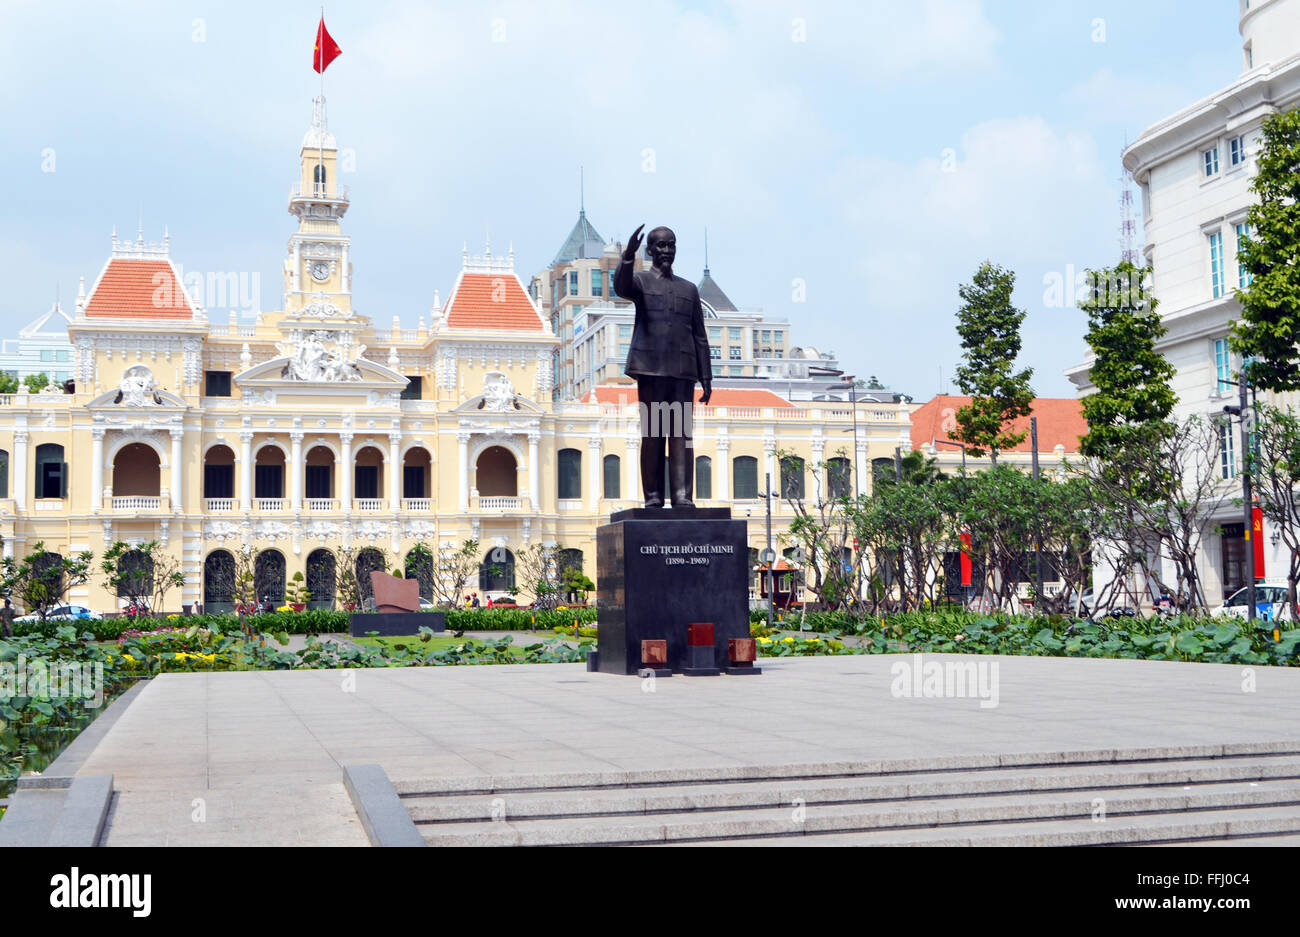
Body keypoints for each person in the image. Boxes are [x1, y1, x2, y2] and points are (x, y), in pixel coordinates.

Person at [613, 224, 711, 508]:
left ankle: (682, 496)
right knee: (654, 432)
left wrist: (706, 377)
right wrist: (628, 255)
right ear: (650, 250)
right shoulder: (641, 281)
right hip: (651, 370)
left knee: (681, 434)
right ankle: (653, 496)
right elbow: (621, 287)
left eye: (671, 245)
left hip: (682, 372)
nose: (666, 250)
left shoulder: (689, 289)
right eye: (660, 245)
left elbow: (699, 336)